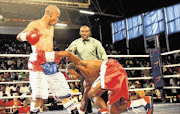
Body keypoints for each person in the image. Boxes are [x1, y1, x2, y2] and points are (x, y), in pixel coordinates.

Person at [17, 5, 78, 113]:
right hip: (37, 62)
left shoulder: (52, 28)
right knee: (38, 95)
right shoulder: (34, 24)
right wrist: (28, 36)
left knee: (62, 90)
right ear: (50, 14)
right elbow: (19, 36)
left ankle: (74, 111)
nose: (57, 19)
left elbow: (48, 46)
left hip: (50, 61)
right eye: (57, 16)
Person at [57, 51, 152, 114]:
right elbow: (84, 101)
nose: (69, 76)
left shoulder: (81, 65)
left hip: (110, 68)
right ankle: (144, 102)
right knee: (114, 110)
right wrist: (80, 111)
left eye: (69, 73)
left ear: (74, 68)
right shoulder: (87, 82)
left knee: (93, 94)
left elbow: (69, 54)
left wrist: (52, 54)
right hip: (115, 75)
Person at [66, 25, 108, 113]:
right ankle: (87, 109)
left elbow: (103, 56)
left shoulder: (96, 42)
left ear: (89, 32)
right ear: (80, 33)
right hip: (83, 70)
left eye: (86, 31)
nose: (84, 33)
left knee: (102, 88)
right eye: (82, 31)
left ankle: (104, 108)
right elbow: (68, 53)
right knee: (84, 89)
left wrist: (104, 69)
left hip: (96, 69)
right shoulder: (76, 43)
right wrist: (69, 51)